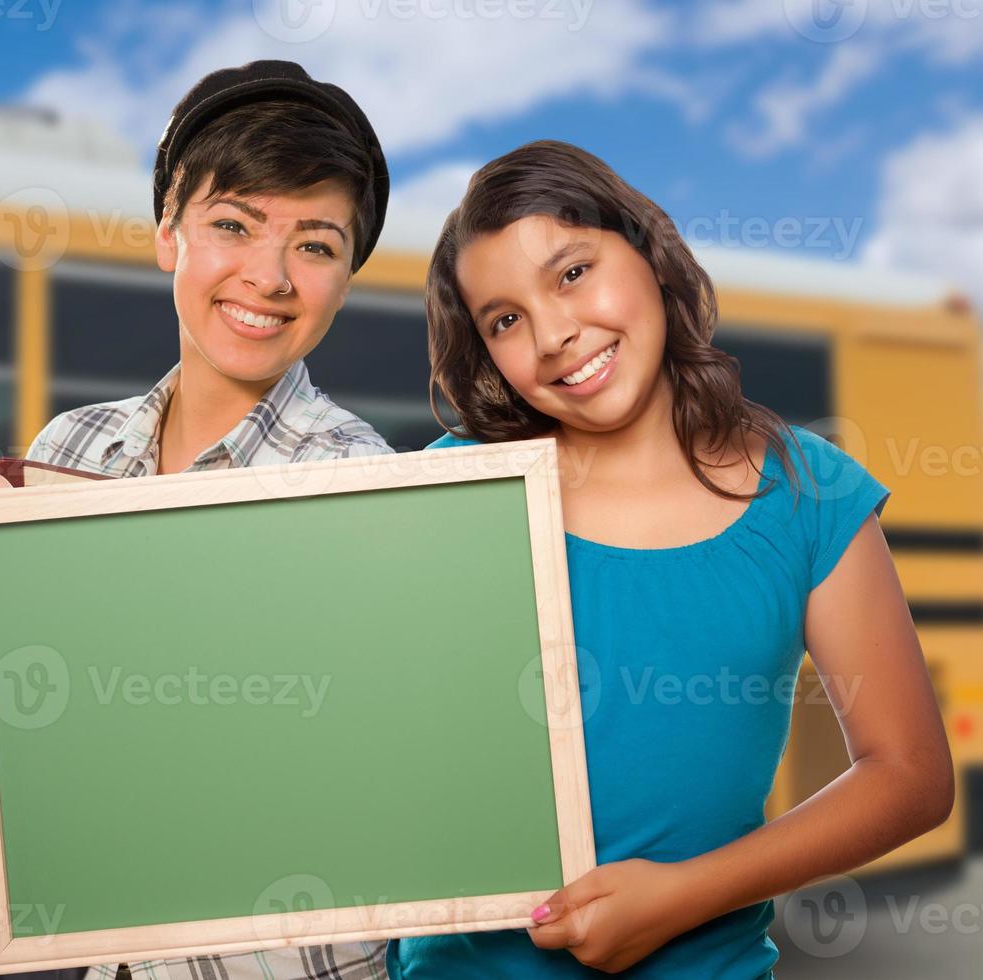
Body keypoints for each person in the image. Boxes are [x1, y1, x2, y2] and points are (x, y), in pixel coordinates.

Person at [391, 140, 953, 977]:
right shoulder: (451, 488)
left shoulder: (806, 493)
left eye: (572, 272)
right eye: (503, 319)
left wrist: (684, 895)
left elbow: (908, 775)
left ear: (648, 253)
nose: (553, 334)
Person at [0, 61, 393, 980]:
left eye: (316, 246)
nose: (269, 275)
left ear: (344, 277)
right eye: (231, 226)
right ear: (168, 234)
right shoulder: (72, 448)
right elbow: (46, 726)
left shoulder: (362, 482)